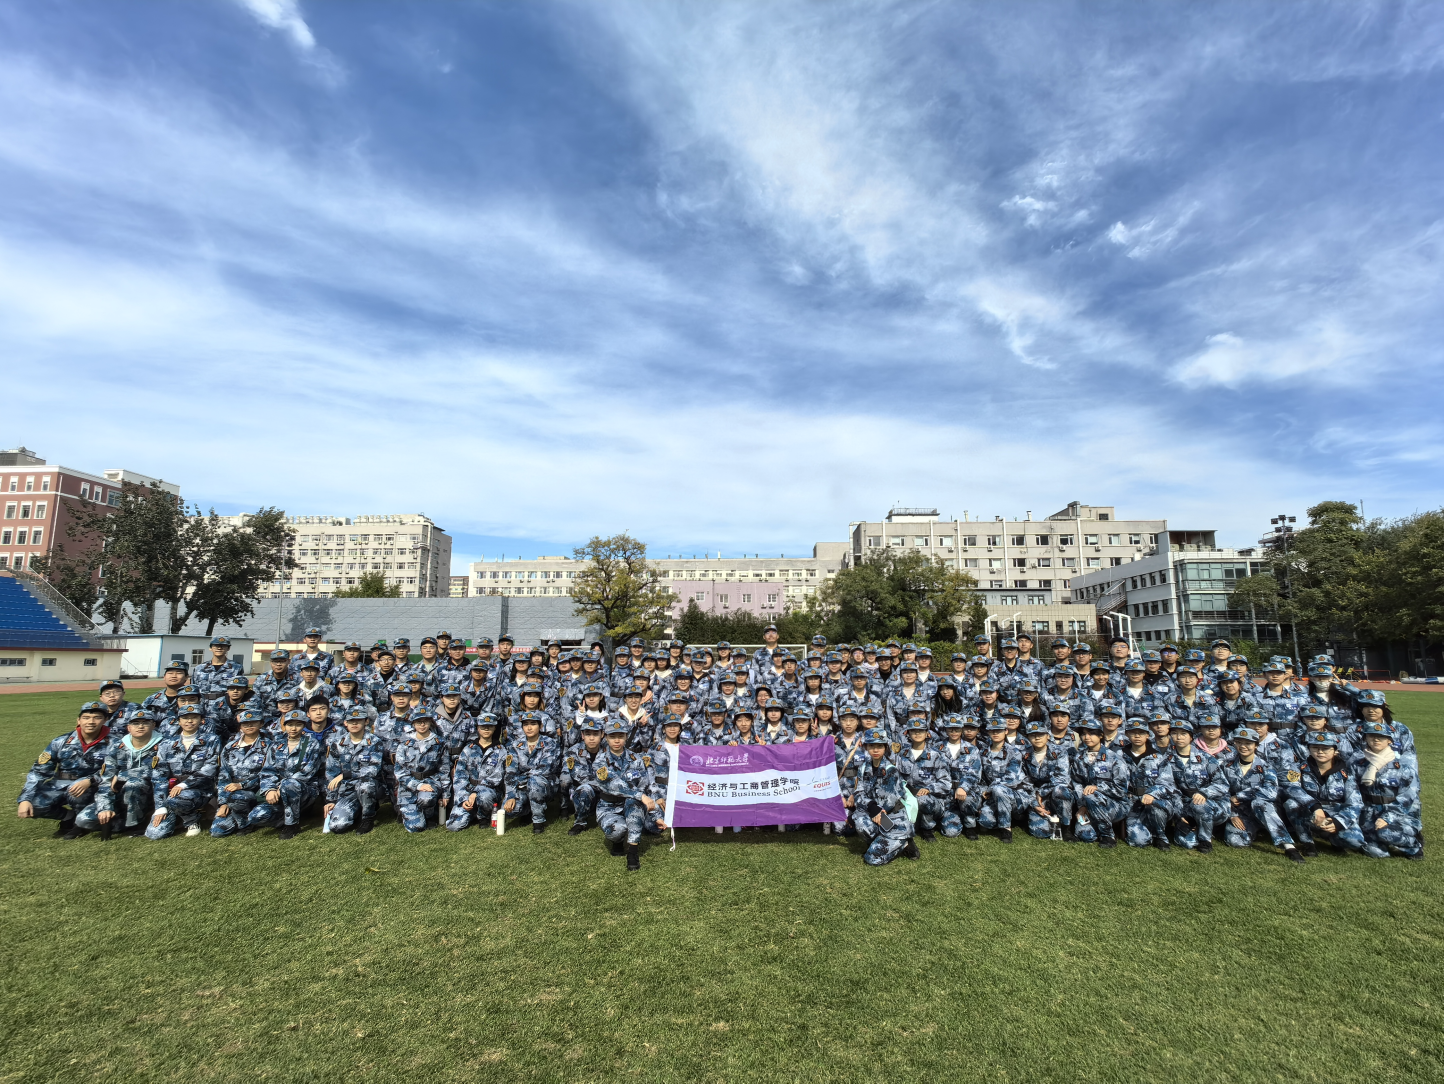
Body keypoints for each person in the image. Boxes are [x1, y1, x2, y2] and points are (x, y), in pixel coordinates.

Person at [16, 701, 112, 837]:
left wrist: (91, 780)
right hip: (61, 782)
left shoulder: (114, 743)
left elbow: (115, 769)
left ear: (105, 720)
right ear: (78, 720)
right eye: (86, 718)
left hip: (93, 786)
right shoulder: (61, 741)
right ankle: (69, 818)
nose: (91, 722)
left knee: (76, 792)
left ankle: (81, 824)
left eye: (97, 717)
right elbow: (39, 771)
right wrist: (25, 799)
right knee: (34, 804)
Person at [1220, 724, 1303, 863]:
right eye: (1239, 742)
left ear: (1256, 746)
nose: (1243, 746)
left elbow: (1270, 792)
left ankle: (1289, 847)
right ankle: (1258, 830)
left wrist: (1239, 796)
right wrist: (1232, 815)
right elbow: (1222, 790)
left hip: (1266, 810)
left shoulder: (1266, 767)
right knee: (1236, 841)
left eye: (1248, 743)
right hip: (1242, 812)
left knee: (1259, 802)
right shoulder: (1226, 766)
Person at [1278, 732, 1366, 856]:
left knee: (1355, 841)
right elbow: (1292, 788)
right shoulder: (1299, 769)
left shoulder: (1346, 773)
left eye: (1325, 748)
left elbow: (1355, 803)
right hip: (1309, 812)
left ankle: (1334, 839)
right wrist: (1315, 806)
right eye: (1315, 748)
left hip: (1335, 813)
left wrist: (1338, 822)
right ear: (1309, 749)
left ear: (1335, 751)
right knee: (1291, 804)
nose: (1320, 752)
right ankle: (1308, 843)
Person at [145, 706, 222, 840]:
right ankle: (176, 814)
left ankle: (192, 821)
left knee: (176, 800)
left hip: (200, 789)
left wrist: (183, 785)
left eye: (194, 717)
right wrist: (160, 807)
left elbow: (210, 768)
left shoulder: (211, 740)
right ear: (179, 721)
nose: (189, 721)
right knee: (155, 834)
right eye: (185, 718)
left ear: (201, 720)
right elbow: (159, 776)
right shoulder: (167, 743)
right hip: (171, 792)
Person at [85, 709, 163, 839]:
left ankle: (137, 824)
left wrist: (121, 775)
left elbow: (160, 771)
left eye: (145, 723)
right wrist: (105, 808)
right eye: (136, 723)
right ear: (129, 727)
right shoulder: (118, 746)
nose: (140, 726)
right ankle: (121, 822)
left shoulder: (164, 744)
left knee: (134, 784)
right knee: (84, 820)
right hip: (120, 794)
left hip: (151, 794)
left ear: (153, 725)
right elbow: (107, 779)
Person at [593, 718, 657, 871]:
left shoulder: (636, 759)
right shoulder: (600, 761)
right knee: (617, 830)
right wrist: (640, 795)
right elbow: (613, 783)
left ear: (626, 736)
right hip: (609, 806)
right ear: (606, 737)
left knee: (634, 803)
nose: (617, 740)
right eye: (612, 736)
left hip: (630, 804)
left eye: (620, 736)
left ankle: (633, 852)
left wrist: (655, 815)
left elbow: (645, 786)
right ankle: (618, 841)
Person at [1352, 719, 1422, 859]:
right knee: (1376, 853)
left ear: (1389, 741)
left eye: (1381, 737)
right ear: (1365, 739)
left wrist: (1387, 818)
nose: (1376, 739)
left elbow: (1407, 797)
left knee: (1385, 833)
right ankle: (1381, 842)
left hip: (1399, 814)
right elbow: (1353, 792)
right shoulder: (1357, 765)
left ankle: (1414, 846)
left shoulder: (1403, 767)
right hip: (1370, 812)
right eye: (1371, 736)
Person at [250, 708, 325, 838]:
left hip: (305, 791)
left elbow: (307, 772)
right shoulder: (277, 745)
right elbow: (268, 770)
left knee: (289, 784)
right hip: (279, 792)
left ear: (304, 725)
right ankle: (288, 816)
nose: (293, 728)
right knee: (255, 816)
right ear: (285, 726)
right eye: (290, 724)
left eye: (298, 724)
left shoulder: (312, 744)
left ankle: (292, 825)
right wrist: (269, 790)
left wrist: (281, 786)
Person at [851, 727, 919, 865]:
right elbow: (858, 792)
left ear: (885, 748)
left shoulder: (890, 770)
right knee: (859, 821)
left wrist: (878, 810)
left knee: (872, 859)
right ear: (866, 747)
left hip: (893, 818)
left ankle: (904, 843)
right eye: (871, 746)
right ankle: (881, 842)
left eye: (879, 746)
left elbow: (890, 799)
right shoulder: (863, 768)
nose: (875, 750)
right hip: (876, 814)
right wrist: (872, 807)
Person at [209, 708, 273, 837]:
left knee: (242, 800)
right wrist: (223, 803)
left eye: (253, 722)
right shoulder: (229, 747)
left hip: (258, 792)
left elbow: (268, 774)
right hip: (233, 795)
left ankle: (245, 824)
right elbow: (224, 776)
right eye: (245, 723)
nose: (249, 726)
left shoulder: (270, 746)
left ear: (261, 724)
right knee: (217, 831)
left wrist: (242, 785)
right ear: (240, 727)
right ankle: (238, 813)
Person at [323, 707, 386, 834]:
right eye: (351, 721)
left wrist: (347, 774)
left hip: (371, 786)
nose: (355, 723)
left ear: (366, 721)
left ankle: (367, 818)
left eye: (358, 720)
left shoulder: (374, 742)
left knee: (365, 785)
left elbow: (374, 769)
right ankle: (357, 809)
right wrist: (331, 800)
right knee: (337, 826)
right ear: (345, 723)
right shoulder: (337, 743)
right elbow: (331, 772)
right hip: (348, 790)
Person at [1070, 719, 1131, 848]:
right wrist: (1082, 805)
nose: (1087, 737)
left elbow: (1121, 789)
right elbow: (1077, 783)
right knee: (1085, 835)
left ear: (1101, 735)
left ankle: (1108, 836)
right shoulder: (1079, 758)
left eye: (1091, 733)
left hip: (1116, 804)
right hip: (1088, 804)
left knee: (1091, 795)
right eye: (1084, 734)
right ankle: (1097, 826)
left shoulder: (1114, 758)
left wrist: (1097, 788)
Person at [1167, 721, 1228, 852]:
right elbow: (1169, 788)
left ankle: (1206, 840)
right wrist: (1178, 813)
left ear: (1191, 737)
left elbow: (1222, 784)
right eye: (1174, 733)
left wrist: (1205, 793)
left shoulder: (1206, 758)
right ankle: (1194, 824)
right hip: (1185, 805)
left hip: (1212, 804)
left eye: (1183, 734)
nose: (1179, 737)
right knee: (1186, 843)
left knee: (1199, 805)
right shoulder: (1167, 760)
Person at [392, 707, 451, 833]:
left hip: (430, 782)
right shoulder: (405, 743)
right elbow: (400, 771)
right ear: (413, 724)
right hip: (408, 786)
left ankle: (429, 814)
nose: (422, 725)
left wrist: (445, 794)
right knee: (416, 827)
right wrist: (418, 785)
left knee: (426, 798)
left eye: (425, 721)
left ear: (430, 722)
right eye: (419, 722)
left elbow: (444, 769)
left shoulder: (439, 743)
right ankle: (410, 812)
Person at [1120, 718, 1176, 849]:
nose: (1137, 736)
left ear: (1147, 735)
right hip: (1132, 801)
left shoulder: (1158, 758)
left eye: (1141, 732)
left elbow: (1167, 783)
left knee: (1155, 808)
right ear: (1127, 734)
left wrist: (1152, 794)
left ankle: (1160, 836)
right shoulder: (1119, 755)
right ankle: (1147, 830)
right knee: (1138, 842)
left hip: (1154, 800)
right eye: (1133, 732)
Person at [447, 716, 508, 833]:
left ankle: (483, 817)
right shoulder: (468, 749)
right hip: (468, 791)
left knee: (484, 796)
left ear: (494, 728)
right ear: (478, 728)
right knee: (453, 826)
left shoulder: (501, 751)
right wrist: (463, 798)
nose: (486, 729)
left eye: (489, 726)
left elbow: (496, 777)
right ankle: (472, 812)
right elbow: (460, 776)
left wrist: (476, 792)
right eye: (483, 726)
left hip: (490, 791)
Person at [503, 709, 560, 833]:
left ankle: (538, 821)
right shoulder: (515, 745)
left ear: (540, 726)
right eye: (526, 724)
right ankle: (529, 809)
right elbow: (510, 772)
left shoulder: (550, 743)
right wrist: (511, 796)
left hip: (545, 784)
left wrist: (523, 779)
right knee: (509, 810)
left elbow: (545, 769)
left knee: (534, 781)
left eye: (533, 724)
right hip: (523, 787)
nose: (529, 728)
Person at [897, 719, 951, 842]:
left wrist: (928, 789)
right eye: (914, 731)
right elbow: (896, 777)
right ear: (908, 734)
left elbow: (945, 782)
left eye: (921, 731)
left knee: (922, 799)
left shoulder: (936, 755)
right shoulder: (902, 754)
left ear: (927, 734)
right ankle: (913, 823)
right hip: (908, 797)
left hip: (931, 799)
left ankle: (928, 828)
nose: (917, 733)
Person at [1020, 720, 1073, 840]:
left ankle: (1066, 827)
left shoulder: (1059, 752)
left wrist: (1041, 792)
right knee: (1040, 832)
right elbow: (1024, 782)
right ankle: (1049, 819)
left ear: (1048, 736)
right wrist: (1034, 803)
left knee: (1060, 790)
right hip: (1035, 796)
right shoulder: (1024, 754)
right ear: (1028, 738)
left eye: (1040, 734)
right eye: (1033, 735)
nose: (1037, 738)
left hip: (1055, 793)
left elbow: (1062, 778)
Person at [977, 720, 1026, 842]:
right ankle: (1007, 815)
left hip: (1015, 795)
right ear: (988, 732)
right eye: (992, 731)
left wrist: (990, 789)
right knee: (984, 821)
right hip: (993, 796)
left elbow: (1011, 778)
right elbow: (981, 778)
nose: (995, 733)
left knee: (999, 789)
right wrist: (984, 791)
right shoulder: (983, 753)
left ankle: (1006, 829)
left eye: (999, 730)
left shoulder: (1014, 752)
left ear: (1006, 731)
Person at [562, 719, 607, 834]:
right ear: (582, 735)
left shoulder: (609, 751)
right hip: (584, 792)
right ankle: (580, 822)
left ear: (602, 734)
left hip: (604, 793)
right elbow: (579, 777)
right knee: (585, 788)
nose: (591, 738)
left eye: (595, 734)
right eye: (588, 734)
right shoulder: (573, 752)